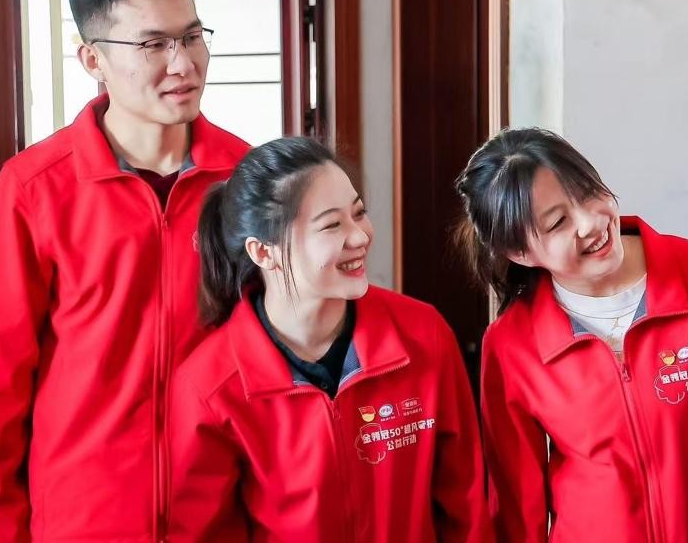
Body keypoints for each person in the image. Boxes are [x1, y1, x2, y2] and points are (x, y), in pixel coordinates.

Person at [0, 0, 249, 541]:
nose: (183, 63)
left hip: (220, 512)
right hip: (84, 516)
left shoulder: (248, 177)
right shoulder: (34, 187)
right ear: (93, 59)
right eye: (153, 44)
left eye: (192, 36)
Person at [455, 127, 688, 542]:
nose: (590, 222)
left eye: (587, 194)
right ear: (520, 253)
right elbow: (516, 506)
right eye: (558, 222)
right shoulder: (512, 345)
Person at [168, 136, 488, 541]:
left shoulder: (423, 336)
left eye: (359, 213)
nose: (360, 237)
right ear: (263, 252)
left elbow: (467, 506)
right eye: (332, 225)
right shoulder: (210, 388)